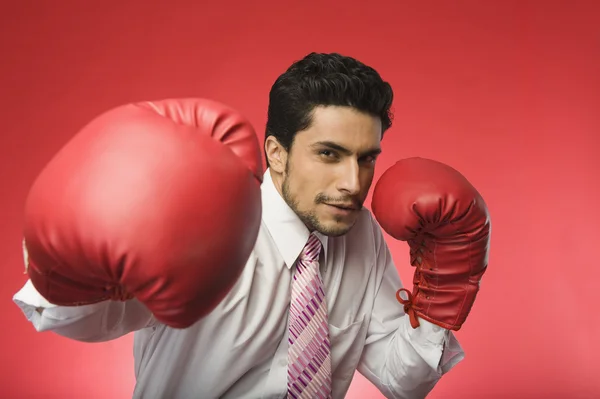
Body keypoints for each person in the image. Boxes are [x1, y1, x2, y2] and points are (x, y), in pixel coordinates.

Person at [14, 52, 487, 398]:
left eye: (366, 159)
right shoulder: (201, 218)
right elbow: (74, 318)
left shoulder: (359, 233)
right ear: (276, 153)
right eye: (329, 154)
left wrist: (442, 296)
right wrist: (67, 256)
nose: (352, 182)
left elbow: (401, 379)